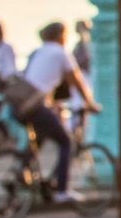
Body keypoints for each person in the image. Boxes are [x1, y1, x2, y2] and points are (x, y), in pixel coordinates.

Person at [19, 22, 102, 200]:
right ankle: (61, 190)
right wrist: (90, 103)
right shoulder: (61, 52)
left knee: (40, 137)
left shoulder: (39, 51)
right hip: (36, 106)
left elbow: (39, 80)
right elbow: (77, 81)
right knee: (67, 143)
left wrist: (53, 103)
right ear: (60, 35)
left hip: (20, 103)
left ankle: (21, 172)